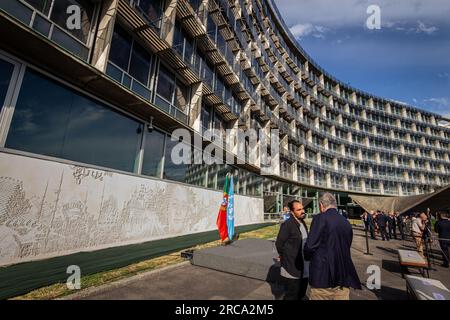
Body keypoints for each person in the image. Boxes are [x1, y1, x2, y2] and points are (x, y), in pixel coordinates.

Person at [304, 193, 361, 300]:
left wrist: (306, 256)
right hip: (343, 276)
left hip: (323, 277)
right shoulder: (345, 222)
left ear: (321, 205)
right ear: (335, 205)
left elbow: (310, 246)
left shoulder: (320, 218)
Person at [275, 200, 309, 300]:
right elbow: (279, 244)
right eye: (299, 210)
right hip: (292, 269)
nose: (302, 211)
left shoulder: (302, 222)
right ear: (292, 212)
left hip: (304, 267)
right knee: (292, 296)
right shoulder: (287, 225)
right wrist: (283, 256)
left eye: (302, 208)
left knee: (301, 294)